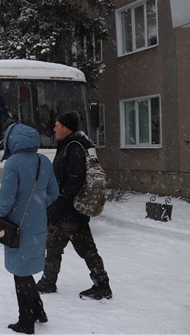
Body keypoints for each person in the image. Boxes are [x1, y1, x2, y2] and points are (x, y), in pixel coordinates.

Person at [36, 111, 113, 300]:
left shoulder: (74, 148)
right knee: (53, 246)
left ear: (66, 127)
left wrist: (59, 198)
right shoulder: (67, 146)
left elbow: (74, 180)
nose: (54, 129)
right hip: (59, 211)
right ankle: (48, 281)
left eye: (57, 125)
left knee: (86, 249)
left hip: (71, 213)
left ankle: (102, 285)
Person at [0, 124, 59, 334]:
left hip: (17, 226)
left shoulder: (13, 163)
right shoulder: (44, 160)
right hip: (38, 223)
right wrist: (37, 209)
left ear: (12, 141)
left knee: (20, 273)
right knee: (26, 269)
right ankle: (39, 312)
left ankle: (26, 321)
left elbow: (5, 201)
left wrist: (1, 216)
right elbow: (53, 192)